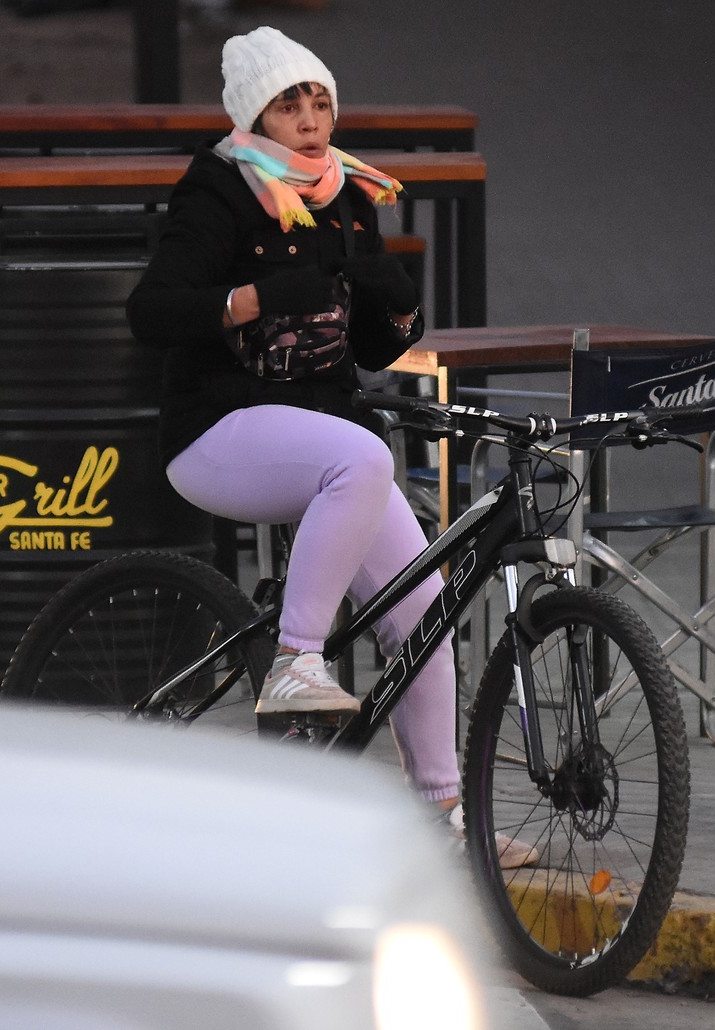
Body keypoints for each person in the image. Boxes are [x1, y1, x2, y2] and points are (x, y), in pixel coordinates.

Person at [126, 27, 534, 866]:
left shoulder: (344, 193)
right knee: (363, 455)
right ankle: (294, 661)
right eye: (289, 104)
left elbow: (375, 351)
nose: (309, 119)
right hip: (217, 427)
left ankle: (438, 818)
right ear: (255, 115)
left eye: (320, 101)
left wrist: (401, 310)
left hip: (318, 434)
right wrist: (252, 297)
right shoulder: (218, 190)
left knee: (423, 611)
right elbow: (151, 313)